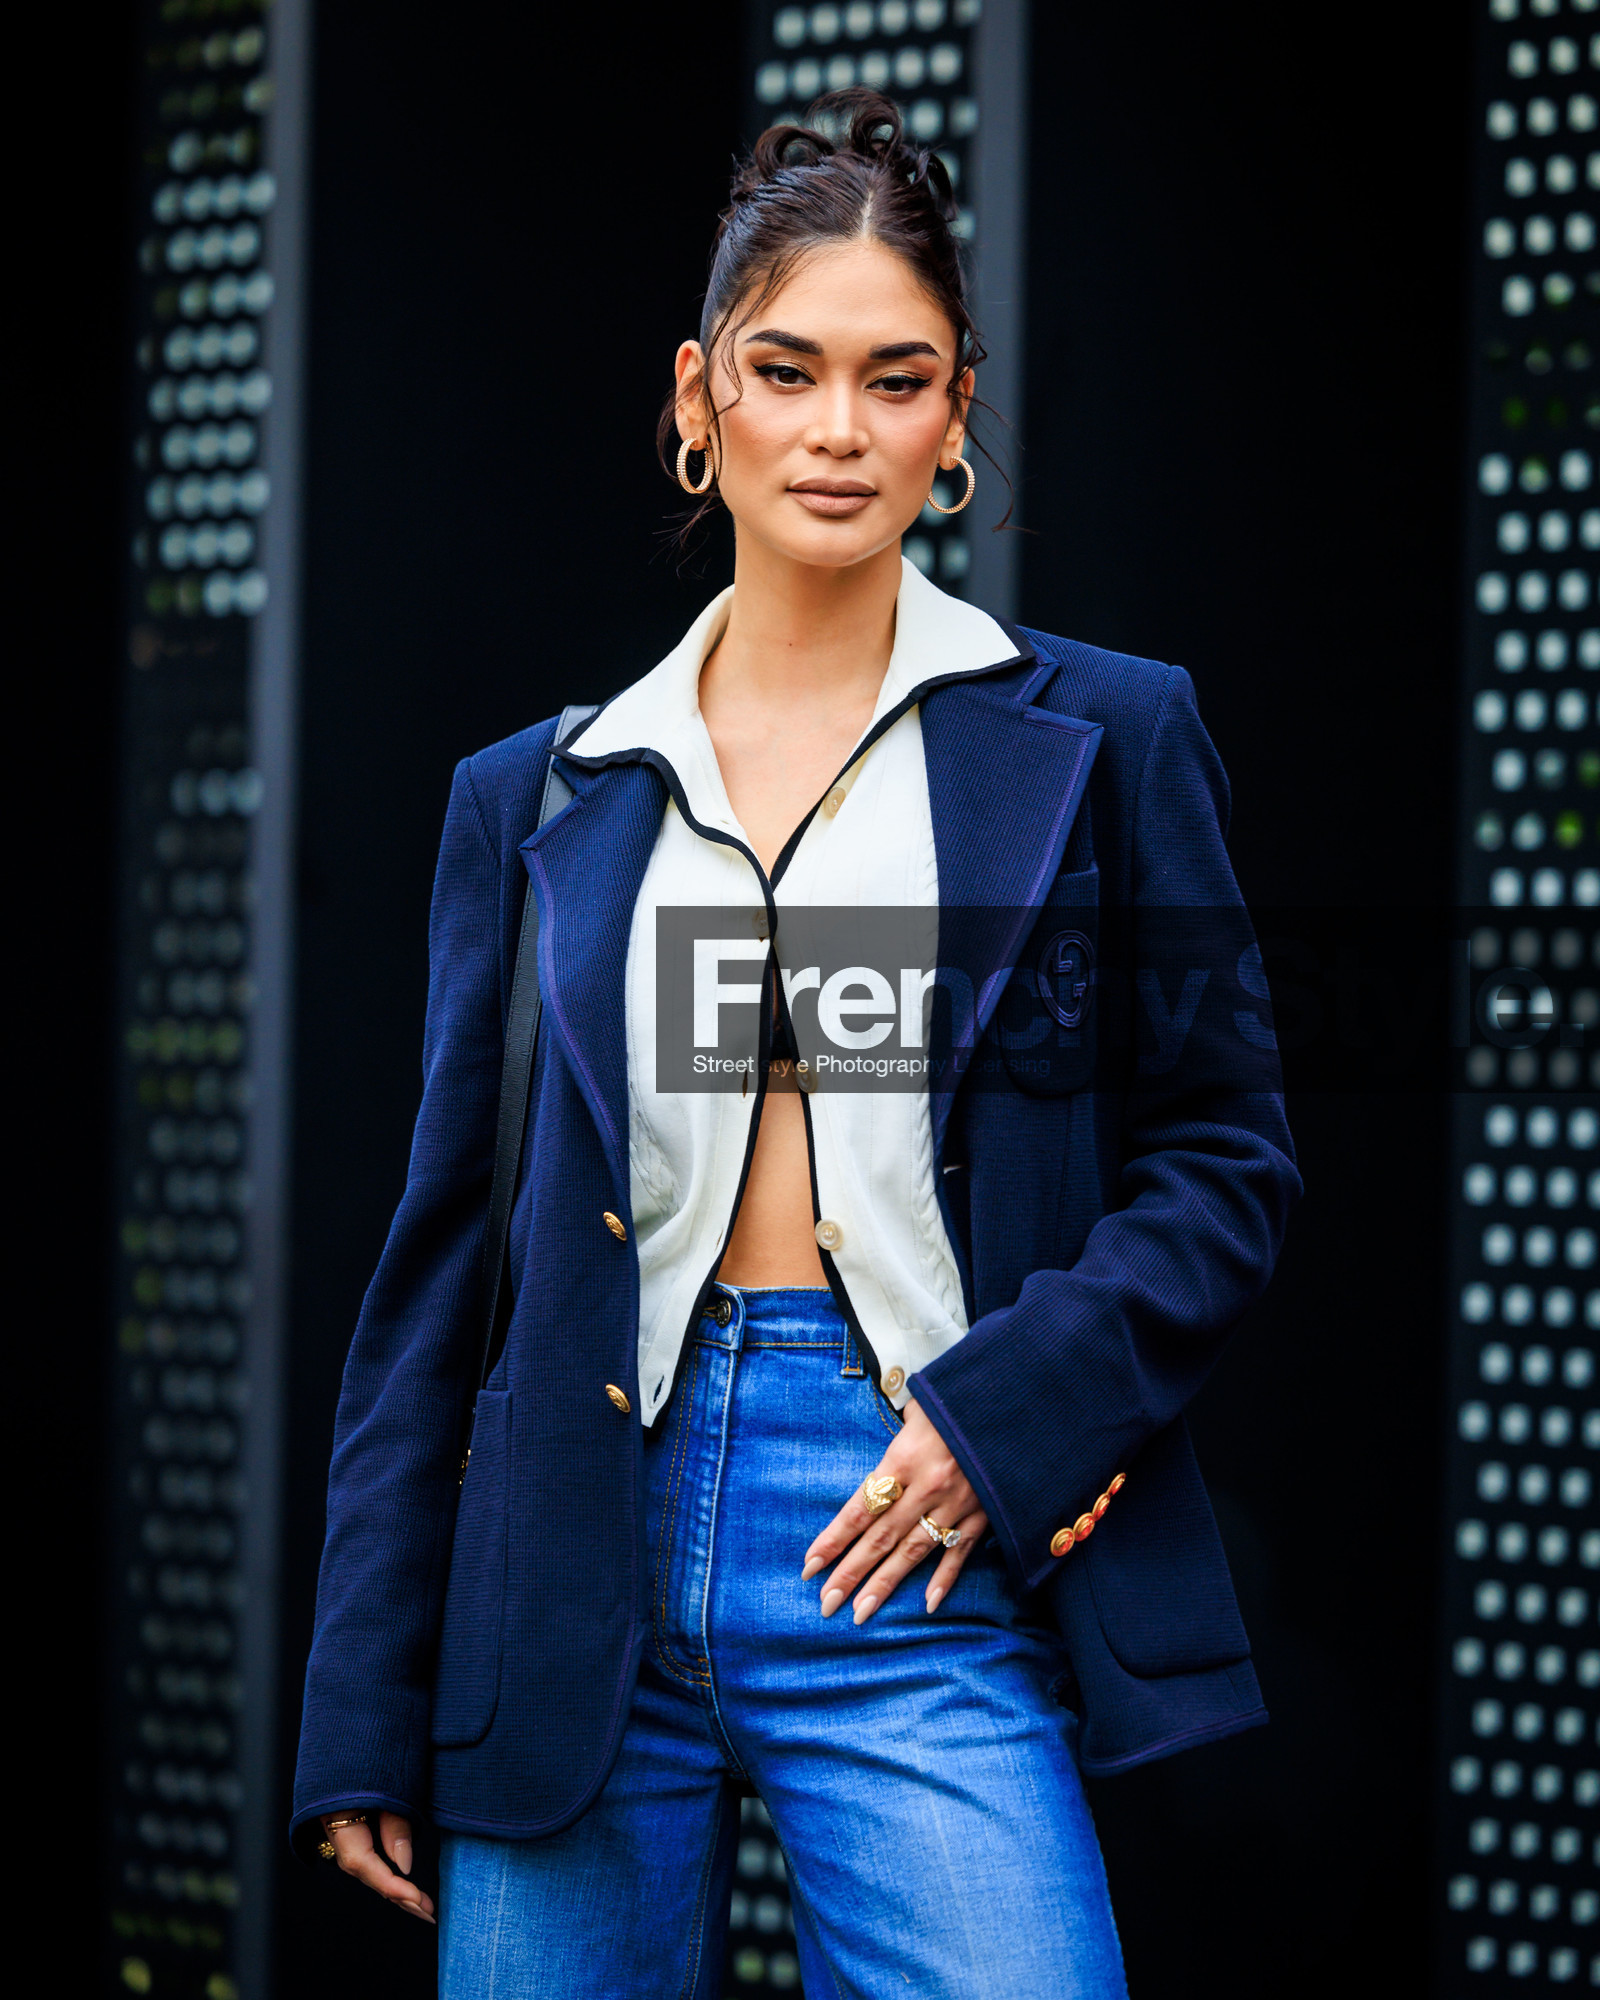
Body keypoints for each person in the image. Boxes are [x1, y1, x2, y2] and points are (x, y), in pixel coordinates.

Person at [292, 90, 1300, 1998]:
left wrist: (1009, 1420)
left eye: (896, 379)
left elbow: (1230, 1163)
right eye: (789, 370)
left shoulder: (1106, 739)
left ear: (958, 414)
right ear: (701, 397)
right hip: (577, 1550)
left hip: (917, 1540)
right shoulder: (539, 796)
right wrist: (363, 1695)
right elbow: (444, 1263)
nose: (841, 431)